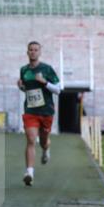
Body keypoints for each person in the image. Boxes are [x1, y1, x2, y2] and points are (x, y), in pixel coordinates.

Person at [17, 41, 61, 187]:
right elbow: (27, 90)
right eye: (31, 50)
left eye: (36, 50)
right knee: (30, 139)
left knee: (43, 141)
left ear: (40, 52)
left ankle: (46, 149)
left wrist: (44, 83)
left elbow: (58, 90)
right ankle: (29, 172)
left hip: (46, 111)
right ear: (27, 52)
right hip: (30, 111)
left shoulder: (47, 69)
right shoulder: (24, 70)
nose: (33, 52)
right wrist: (21, 87)